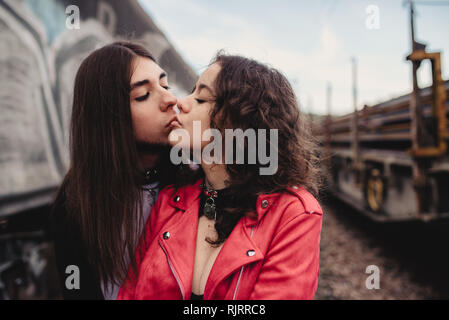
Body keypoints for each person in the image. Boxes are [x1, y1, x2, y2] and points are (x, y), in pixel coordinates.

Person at [118, 53, 324, 300]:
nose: (181, 103)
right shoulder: (169, 201)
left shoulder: (293, 215)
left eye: (202, 98)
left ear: (243, 121)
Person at [49, 41, 196, 299]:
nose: (170, 99)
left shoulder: (197, 181)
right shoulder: (74, 205)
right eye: (143, 95)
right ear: (108, 117)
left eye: (164, 85)